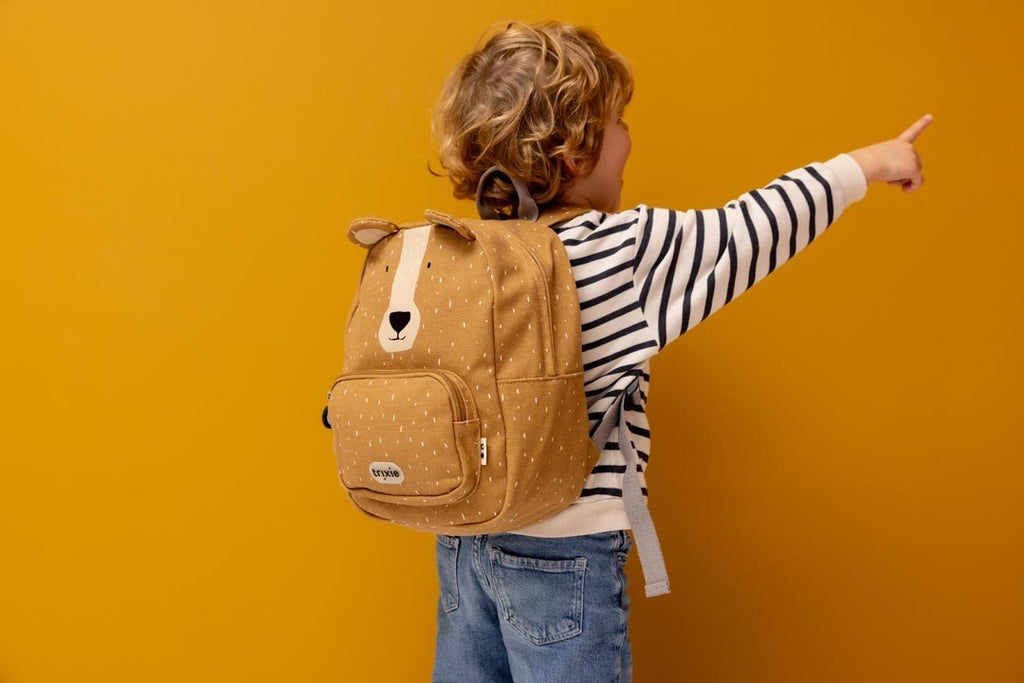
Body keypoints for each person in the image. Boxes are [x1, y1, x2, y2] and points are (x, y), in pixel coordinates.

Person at [428, 19, 931, 683]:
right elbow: (756, 227)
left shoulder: (469, 252)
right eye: (618, 120)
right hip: (565, 553)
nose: (630, 136)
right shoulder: (620, 250)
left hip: (463, 541)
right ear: (573, 151)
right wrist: (873, 162)